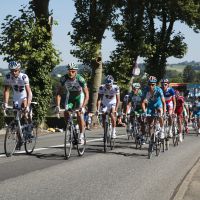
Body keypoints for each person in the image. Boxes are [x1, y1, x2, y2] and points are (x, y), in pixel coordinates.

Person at [55, 63, 89, 144]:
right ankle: (71, 128)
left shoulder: (80, 79)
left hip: (79, 96)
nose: (71, 73)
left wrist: (83, 106)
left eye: (73, 71)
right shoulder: (64, 78)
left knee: (79, 114)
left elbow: (87, 94)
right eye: (70, 71)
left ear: (76, 71)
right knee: (66, 112)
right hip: (70, 96)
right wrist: (57, 105)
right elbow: (58, 93)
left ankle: (81, 135)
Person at [3, 61, 33, 149]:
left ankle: (29, 129)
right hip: (16, 98)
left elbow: (29, 92)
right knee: (16, 120)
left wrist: (27, 105)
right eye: (12, 71)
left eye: (15, 70)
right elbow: (7, 91)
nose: (13, 73)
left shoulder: (23, 77)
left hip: (25, 97)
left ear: (19, 70)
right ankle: (20, 140)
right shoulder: (8, 77)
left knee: (25, 113)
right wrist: (5, 103)